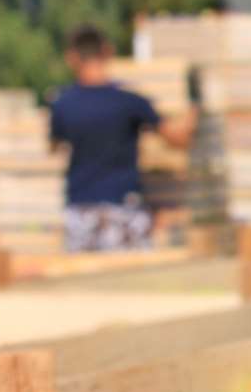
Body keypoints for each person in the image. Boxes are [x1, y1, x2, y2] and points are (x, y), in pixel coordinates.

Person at [49, 24, 197, 252]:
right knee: (129, 282)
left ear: (72, 58)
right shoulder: (130, 103)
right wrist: (194, 114)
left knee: (80, 286)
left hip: (80, 211)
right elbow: (178, 140)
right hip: (123, 210)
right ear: (108, 52)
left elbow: (54, 146)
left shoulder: (62, 105)